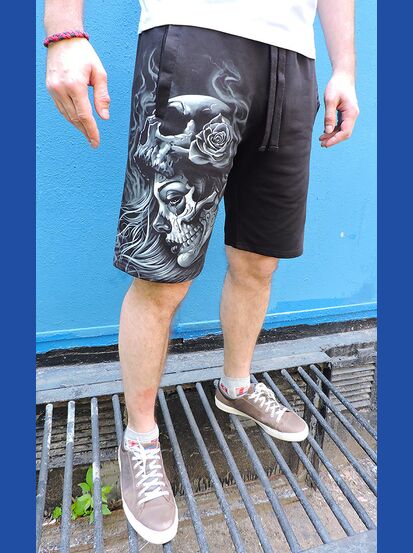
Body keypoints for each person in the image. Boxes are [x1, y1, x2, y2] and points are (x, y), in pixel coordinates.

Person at [43, 0, 359, 544]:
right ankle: (140, 439)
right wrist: (63, 30)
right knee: (162, 273)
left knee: (259, 258)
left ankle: (236, 385)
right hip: (195, 39)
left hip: (293, 63)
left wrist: (345, 67)